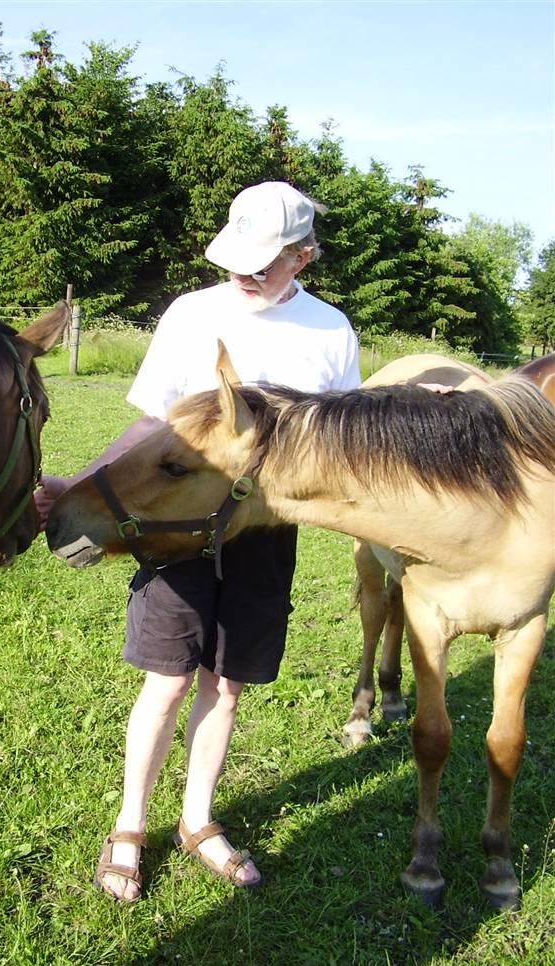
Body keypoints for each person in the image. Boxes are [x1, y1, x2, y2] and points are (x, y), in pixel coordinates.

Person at [36, 181, 360, 903]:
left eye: (265, 261)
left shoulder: (332, 332)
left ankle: (197, 820)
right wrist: (80, 484)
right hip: (173, 527)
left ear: (302, 256)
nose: (244, 272)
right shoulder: (192, 313)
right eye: (237, 256)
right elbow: (150, 430)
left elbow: (343, 443)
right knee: (168, 681)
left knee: (226, 684)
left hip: (264, 537)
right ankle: (129, 824)